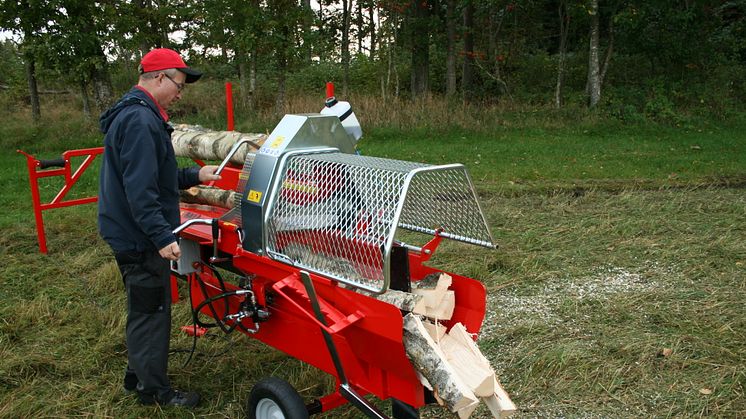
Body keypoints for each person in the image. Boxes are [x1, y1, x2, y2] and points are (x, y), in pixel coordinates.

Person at [98, 48, 219, 408]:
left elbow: (156, 176)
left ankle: (138, 375)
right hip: (137, 235)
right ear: (160, 77)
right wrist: (163, 237)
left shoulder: (139, 114)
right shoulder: (139, 121)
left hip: (129, 230)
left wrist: (195, 174)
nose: (181, 92)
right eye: (179, 84)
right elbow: (141, 191)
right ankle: (154, 392)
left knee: (143, 304)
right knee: (153, 310)